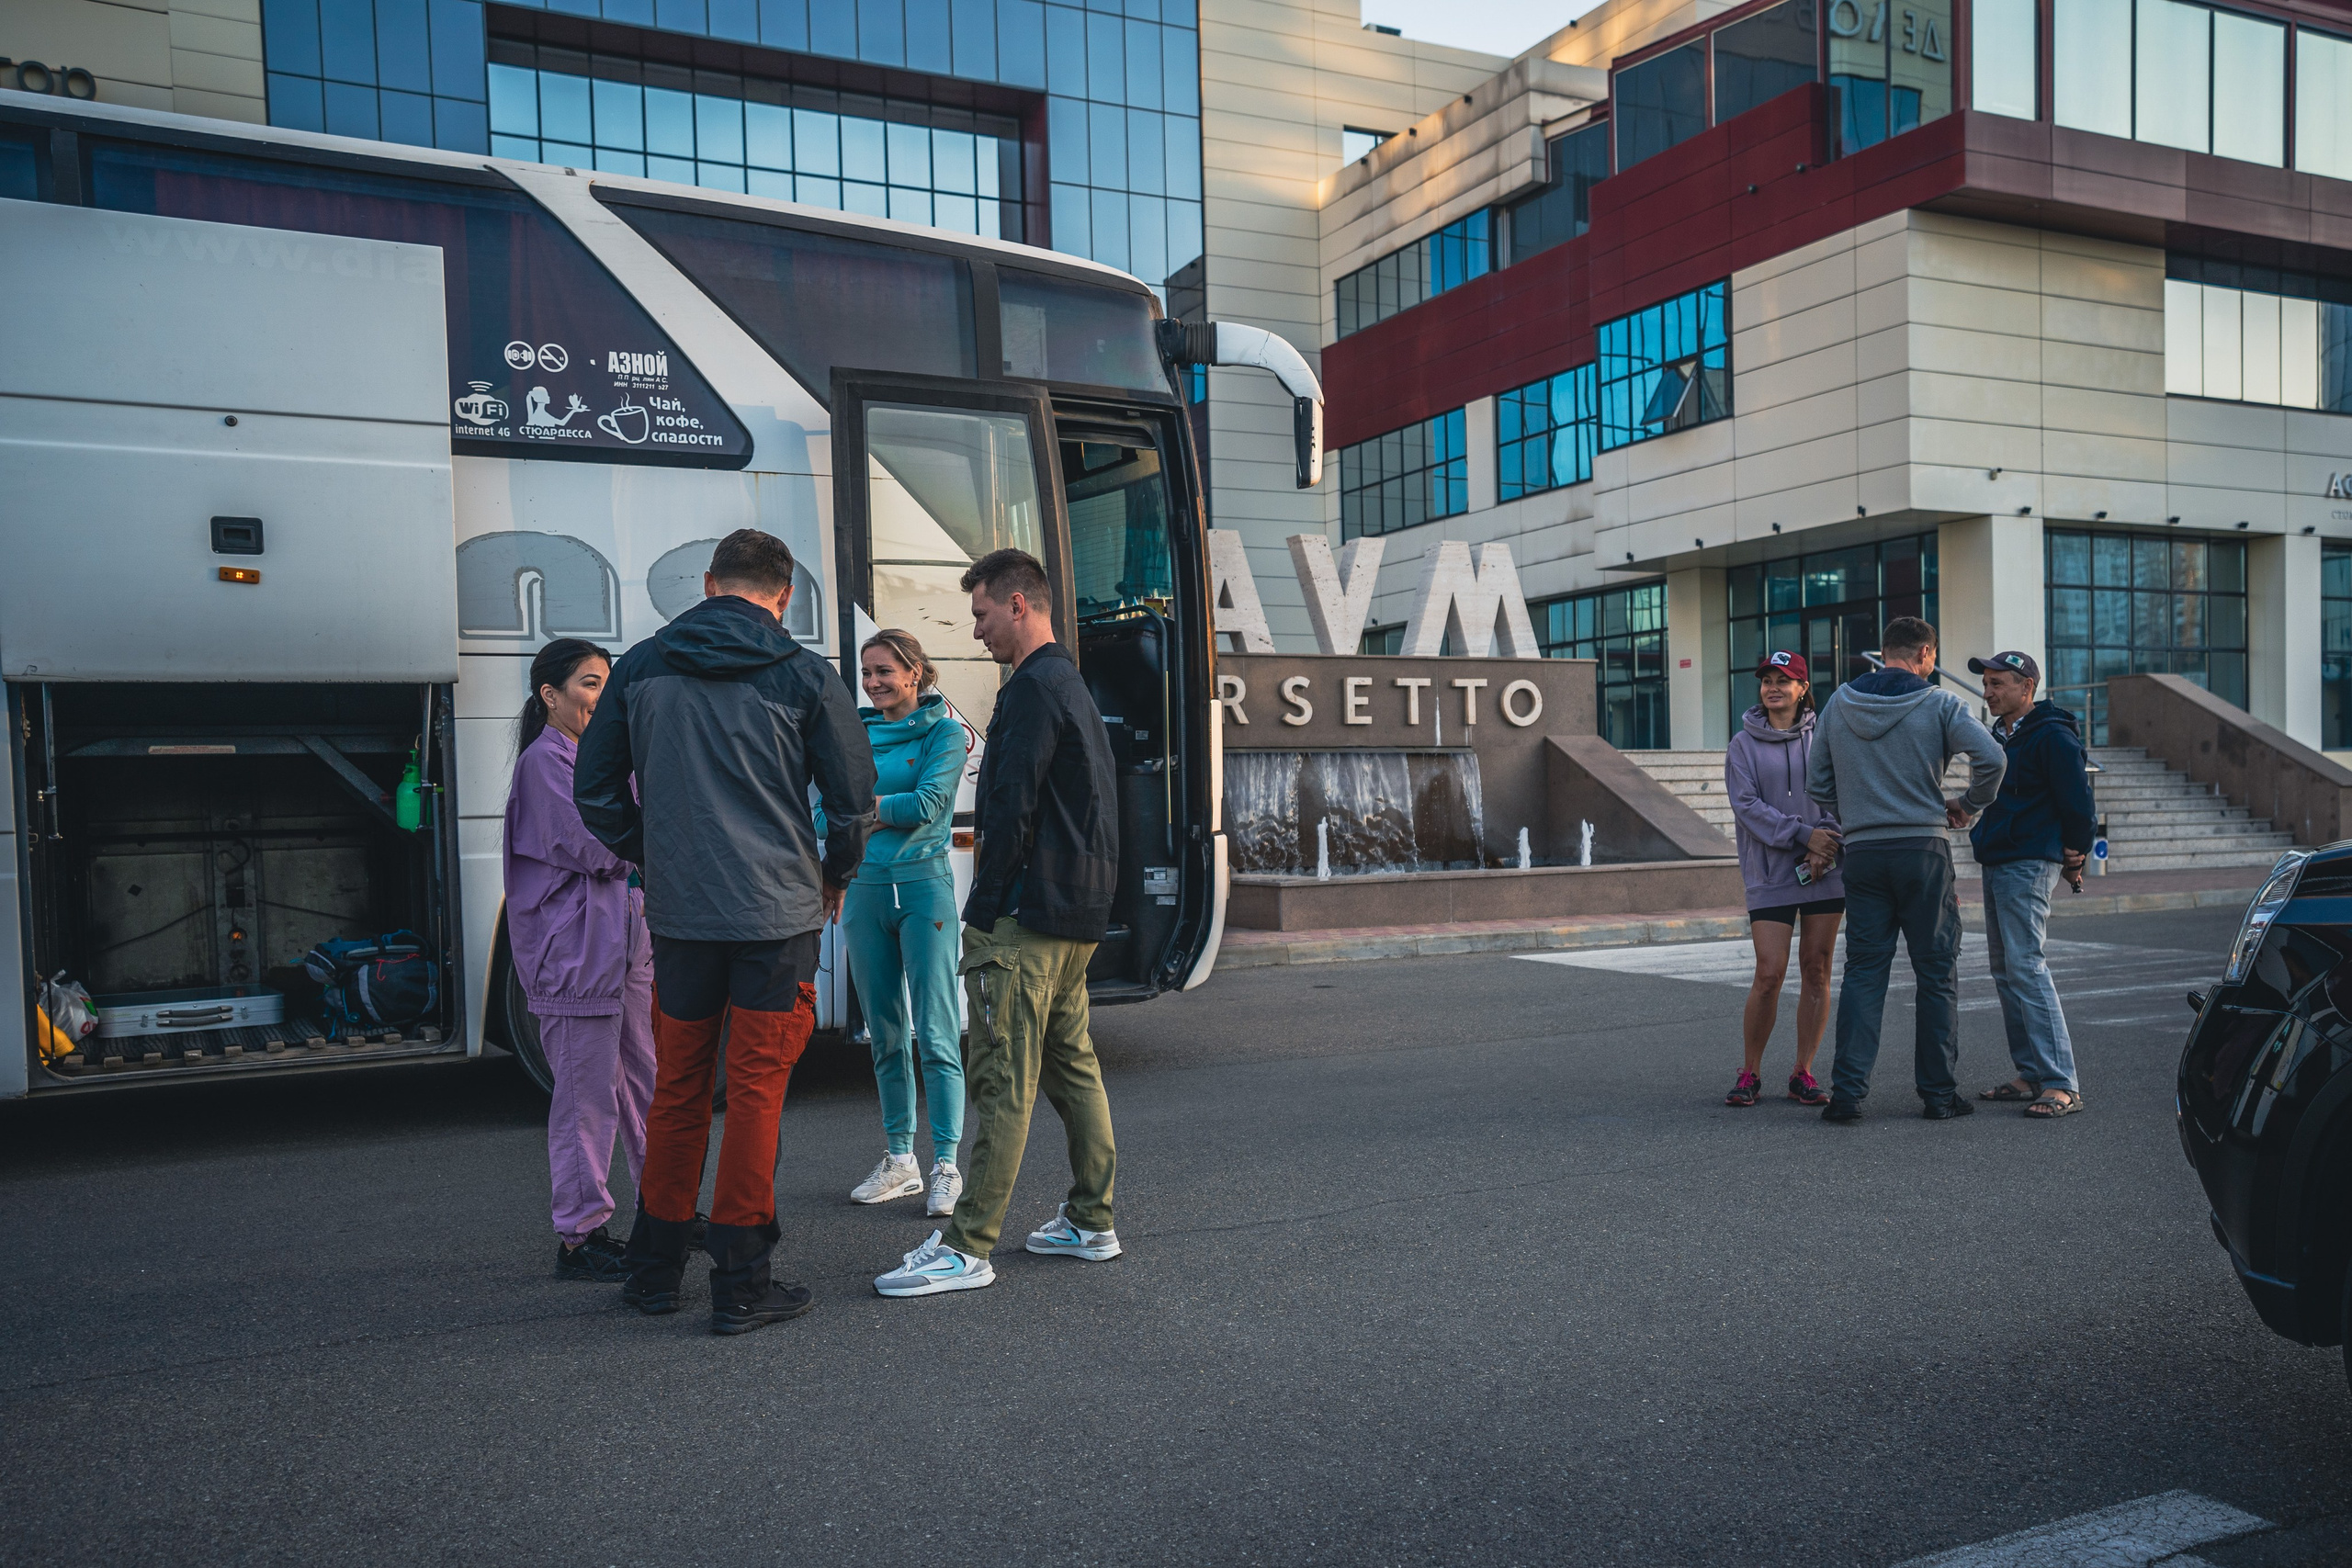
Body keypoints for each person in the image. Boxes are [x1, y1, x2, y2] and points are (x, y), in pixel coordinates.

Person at [576, 528, 877, 1336]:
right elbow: (852, 800)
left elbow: (597, 790)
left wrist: (654, 854)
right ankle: (742, 1283)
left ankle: (654, 1272)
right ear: (785, 596)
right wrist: (834, 875)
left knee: (677, 1088)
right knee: (755, 1092)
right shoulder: (805, 672)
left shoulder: (639, 666)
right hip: (776, 916)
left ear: (710, 584)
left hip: (680, 917)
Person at [874, 547, 1122, 1298]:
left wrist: (981, 915)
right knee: (1072, 1065)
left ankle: (967, 1244)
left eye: (981, 612)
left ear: (1019, 604)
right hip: (1076, 912)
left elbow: (1009, 808)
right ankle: (1091, 1218)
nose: (975, 629)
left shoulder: (1029, 690)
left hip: (1025, 917)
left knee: (1002, 1076)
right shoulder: (1070, 681)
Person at [1806, 616, 2006, 1122]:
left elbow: (1817, 782)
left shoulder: (1839, 703)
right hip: (1923, 850)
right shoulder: (1940, 702)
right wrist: (1968, 803)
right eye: (1932, 658)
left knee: (1864, 972)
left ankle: (1847, 1095)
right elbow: (1993, 758)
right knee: (1936, 972)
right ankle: (1938, 1096)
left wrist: (1855, 811)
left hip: (1865, 856)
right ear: (1924, 655)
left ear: (1884, 650)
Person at [503, 637, 655, 1281]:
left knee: (648, 1085)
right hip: (575, 958)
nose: (602, 695)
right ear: (550, 695)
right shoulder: (545, 763)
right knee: (586, 1099)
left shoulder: (600, 758)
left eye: (606, 683)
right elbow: (605, 847)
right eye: (590, 683)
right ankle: (580, 1234)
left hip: (625, 950)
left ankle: (663, 1208)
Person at [834, 629, 971, 1214]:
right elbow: (820, 811)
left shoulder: (945, 732)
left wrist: (858, 813)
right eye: (867, 673)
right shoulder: (854, 735)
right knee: (885, 1034)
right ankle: (900, 1160)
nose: (872, 683)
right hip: (863, 893)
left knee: (938, 1033)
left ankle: (945, 1163)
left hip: (924, 891)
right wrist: (862, 816)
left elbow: (928, 807)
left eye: (884, 671)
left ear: (915, 672)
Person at [1967, 650, 2095, 1120]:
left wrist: (2076, 853)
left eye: (1998, 683)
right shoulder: (2000, 736)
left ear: (2027, 687)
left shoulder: (2053, 736)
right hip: (1998, 857)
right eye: (1986, 684)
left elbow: (2078, 804)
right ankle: (2032, 1073)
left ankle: (2062, 1083)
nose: (1988, 691)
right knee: (2006, 970)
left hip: (2029, 860)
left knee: (2027, 966)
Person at [1723, 650, 1844, 1108]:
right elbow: (1747, 806)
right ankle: (1750, 1072)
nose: (1774, 687)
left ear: (1803, 688)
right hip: (1771, 870)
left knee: (1817, 968)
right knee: (1769, 972)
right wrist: (1804, 836)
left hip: (1827, 869)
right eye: (1767, 680)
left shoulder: (1827, 738)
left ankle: (1803, 1072)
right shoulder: (1742, 744)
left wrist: (1827, 842)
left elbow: (1845, 795)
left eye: (1785, 680)